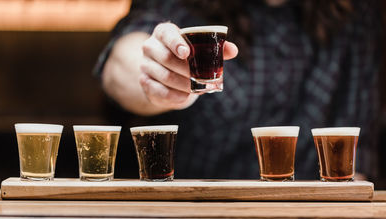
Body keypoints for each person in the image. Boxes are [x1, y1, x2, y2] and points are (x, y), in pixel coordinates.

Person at [94, 0, 382, 181]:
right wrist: (152, 78)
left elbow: (356, 162)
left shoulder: (357, 15)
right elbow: (121, 64)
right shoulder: (181, 5)